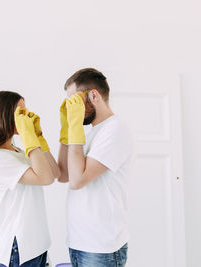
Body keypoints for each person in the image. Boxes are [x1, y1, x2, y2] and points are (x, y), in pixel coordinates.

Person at [0, 91, 60, 267]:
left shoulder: (19, 152)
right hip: (19, 249)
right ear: (4, 116)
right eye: (20, 113)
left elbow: (54, 172)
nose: (26, 118)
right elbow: (45, 178)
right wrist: (30, 140)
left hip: (36, 246)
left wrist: (38, 139)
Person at [58, 68, 134, 267]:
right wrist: (66, 131)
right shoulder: (92, 132)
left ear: (94, 95)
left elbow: (77, 180)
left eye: (74, 101)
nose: (71, 108)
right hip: (79, 242)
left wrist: (75, 128)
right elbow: (65, 174)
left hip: (101, 248)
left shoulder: (115, 130)